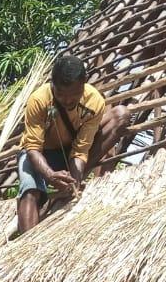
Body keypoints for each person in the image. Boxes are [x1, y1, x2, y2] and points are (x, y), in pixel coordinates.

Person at [16, 55, 131, 235]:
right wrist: (49, 175)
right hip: (40, 155)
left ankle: (73, 182)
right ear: (52, 84)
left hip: (70, 153)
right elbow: (33, 148)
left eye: (75, 95)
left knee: (120, 115)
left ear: (83, 85)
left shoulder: (94, 101)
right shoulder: (38, 100)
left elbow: (81, 149)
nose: (68, 100)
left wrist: (75, 179)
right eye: (61, 94)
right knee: (30, 189)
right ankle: (28, 246)